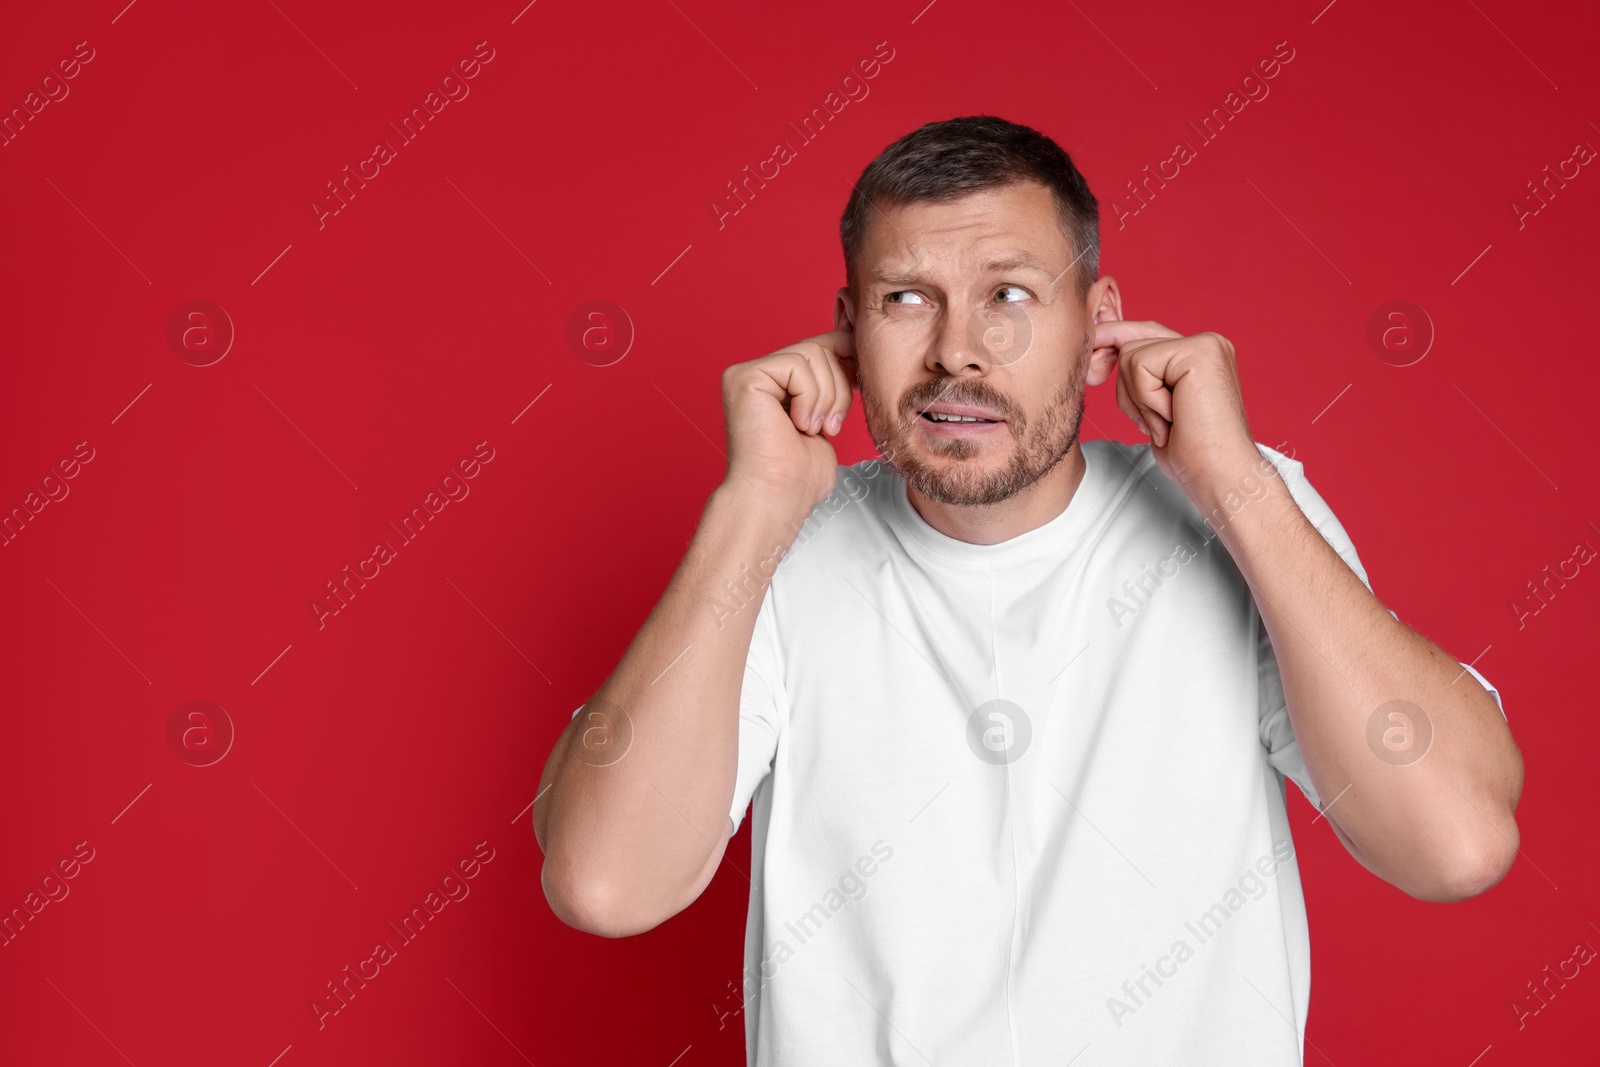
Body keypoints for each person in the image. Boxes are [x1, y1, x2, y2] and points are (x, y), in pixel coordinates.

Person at [533, 115, 1523, 1065]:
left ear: (1097, 328)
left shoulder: (1241, 513)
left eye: (1008, 295)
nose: (956, 350)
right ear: (846, 331)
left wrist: (1237, 486)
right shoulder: (780, 545)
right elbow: (606, 882)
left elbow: (1457, 841)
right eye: (906, 299)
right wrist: (749, 511)